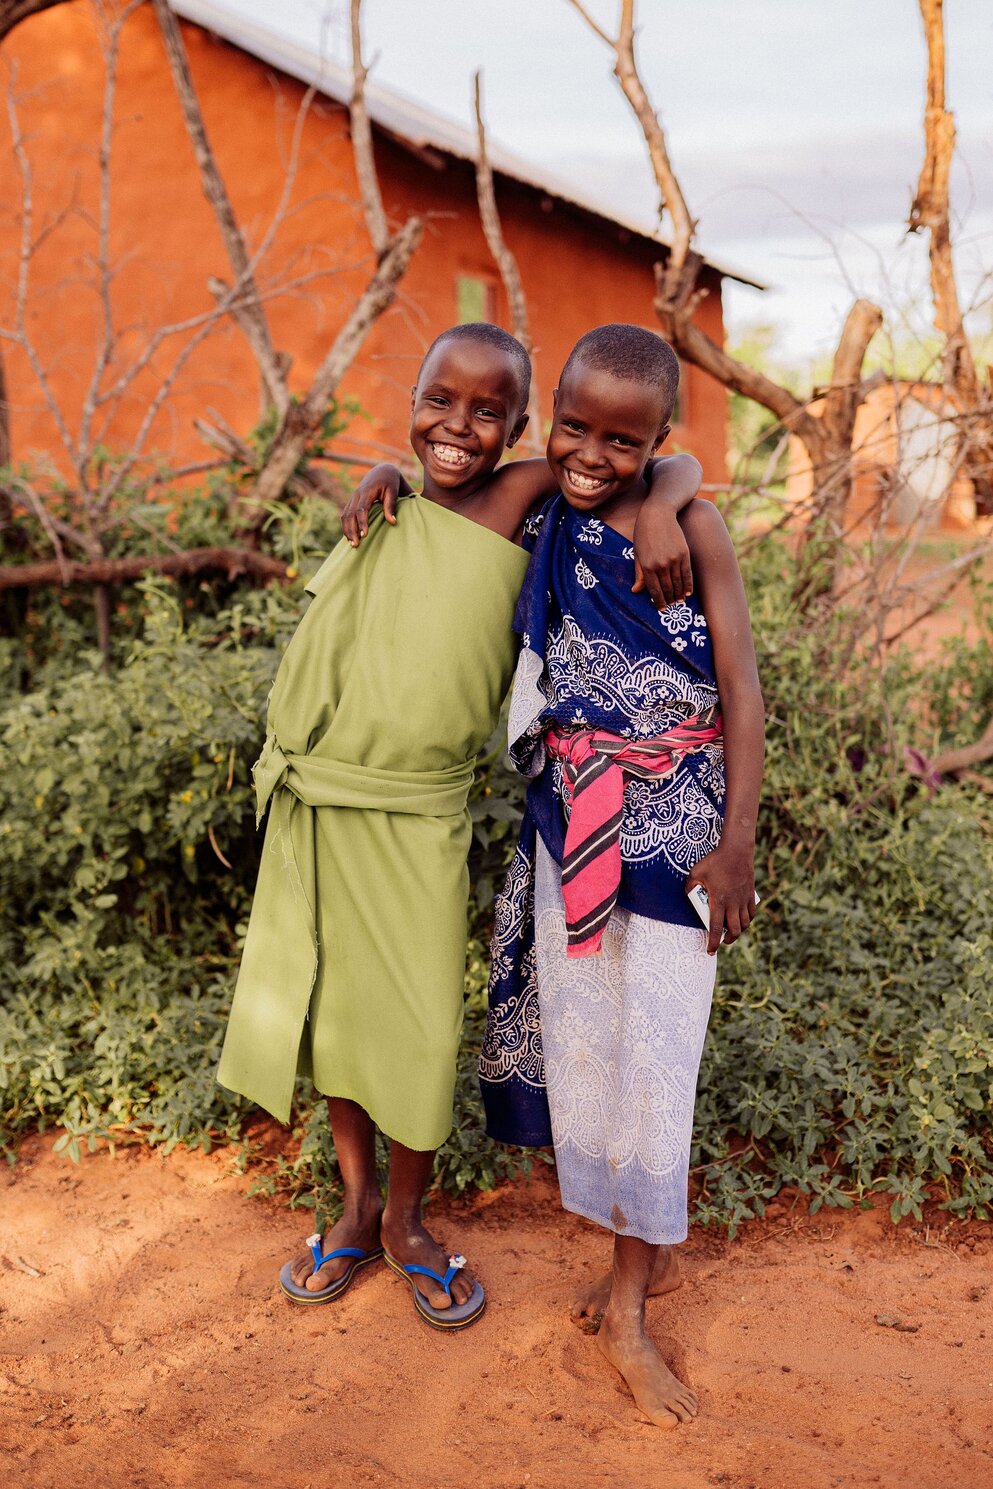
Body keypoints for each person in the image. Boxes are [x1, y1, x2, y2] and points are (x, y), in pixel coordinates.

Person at [217, 322, 702, 1330]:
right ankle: (352, 1212)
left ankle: (406, 1218)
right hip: (323, 803)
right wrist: (386, 469)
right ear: (414, 397)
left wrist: (661, 500)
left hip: (421, 814)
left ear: (519, 427)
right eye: (441, 401)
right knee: (335, 1013)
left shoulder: (525, 494)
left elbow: (665, 454)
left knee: (420, 1023)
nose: (459, 426)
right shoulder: (386, 504)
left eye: (489, 412)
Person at [478, 324, 764, 1423]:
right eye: (575, 428)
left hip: (679, 841)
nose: (593, 453)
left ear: (660, 440)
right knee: (592, 1051)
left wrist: (736, 843)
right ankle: (622, 1265)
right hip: (570, 830)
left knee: (659, 1057)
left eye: (625, 440)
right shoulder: (553, 508)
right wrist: (376, 478)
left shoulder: (696, 527)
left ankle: (633, 1314)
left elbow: (742, 693)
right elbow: (461, 489)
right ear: (550, 418)